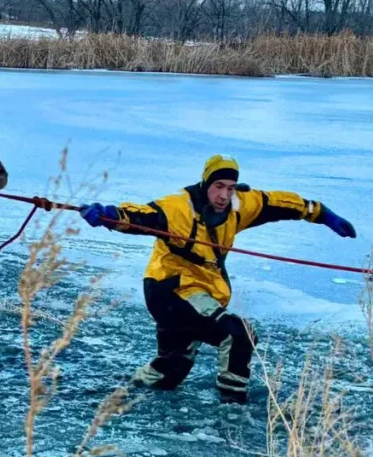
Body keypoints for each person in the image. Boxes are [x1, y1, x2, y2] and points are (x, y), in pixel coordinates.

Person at [79, 155, 356, 404]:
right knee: (238, 334)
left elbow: (282, 203)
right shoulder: (178, 208)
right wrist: (109, 216)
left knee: (170, 371)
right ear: (205, 183)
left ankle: (116, 394)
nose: (224, 195)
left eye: (230, 187)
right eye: (218, 186)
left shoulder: (239, 206)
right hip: (170, 289)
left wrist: (323, 214)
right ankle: (233, 407)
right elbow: (141, 216)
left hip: (200, 291)